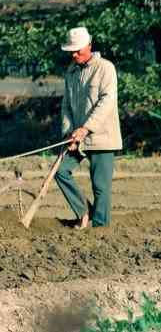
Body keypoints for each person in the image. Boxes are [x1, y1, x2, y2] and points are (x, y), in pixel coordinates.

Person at [54, 26, 122, 229]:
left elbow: (107, 102)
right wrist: (69, 132)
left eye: (78, 51)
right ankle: (84, 212)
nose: (74, 55)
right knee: (60, 171)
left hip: (102, 136)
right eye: (71, 52)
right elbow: (66, 105)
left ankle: (100, 229)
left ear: (89, 46)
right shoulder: (71, 72)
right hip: (76, 138)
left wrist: (85, 129)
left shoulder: (105, 68)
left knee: (100, 186)